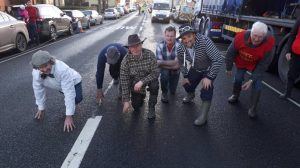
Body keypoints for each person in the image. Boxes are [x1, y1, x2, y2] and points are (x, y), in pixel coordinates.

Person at [225, 21, 275, 118]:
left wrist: (251, 80)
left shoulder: (269, 43)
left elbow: (264, 64)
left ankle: (253, 108)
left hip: (257, 64)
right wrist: (228, 67)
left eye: (260, 37)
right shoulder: (240, 37)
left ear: (264, 36)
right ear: (251, 32)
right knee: (238, 79)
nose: (256, 39)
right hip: (242, 60)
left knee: (257, 84)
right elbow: (230, 53)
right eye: (254, 36)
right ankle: (235, 95)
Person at [177, 24, 223, 126]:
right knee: (186, 83)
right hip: (196, 68)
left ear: (194, 35)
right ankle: (191, 94)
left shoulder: (205, 42)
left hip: (208, 69)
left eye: (189, 36)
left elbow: (218, 59)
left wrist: (209, 77)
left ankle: (203, 116)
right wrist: (184, 76)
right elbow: (182, 63)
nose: (187, 40)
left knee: (207, 88)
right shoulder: (180, 48)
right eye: (184, 38)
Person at [31, 50, 82, 132]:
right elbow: (38, 90)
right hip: (59, 86)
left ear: (51, 61)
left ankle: (71, 106)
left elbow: (69, 92)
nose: (44, 69)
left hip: (74, 81)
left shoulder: (62, 69)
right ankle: (70, 104)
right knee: (67, 95)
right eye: (41, 67)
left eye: (46, 65)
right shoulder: (36, 72)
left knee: (77, 98)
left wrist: (69, 116)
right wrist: (41, 108)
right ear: (37, 67)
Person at [120, 34, 159, 119]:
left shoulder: (150, 55)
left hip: (149, 80)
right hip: (135, 84)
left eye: (137, 45)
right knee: (136, 106)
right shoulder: (125, 61)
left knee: (154, 85)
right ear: (129, 48)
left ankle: (151, 107)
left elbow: (156, 72)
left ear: (141, 45)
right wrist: (126, 101)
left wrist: (142, 82)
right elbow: (124, 81)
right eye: (132, 47)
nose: (135, 48)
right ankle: (141, 94)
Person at [156, 26, 180, 103]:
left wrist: (162, 62)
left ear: (175, 36)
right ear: (164, 35)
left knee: (172, 91)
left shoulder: (179, 46)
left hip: (176, 71)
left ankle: (171, 86)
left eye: (172, 36)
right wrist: (173, 64)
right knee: (164, 74)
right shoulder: (160, 46)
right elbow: (158, 64)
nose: (169, 38)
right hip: (165, 70)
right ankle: (164, 93)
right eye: (167, 36)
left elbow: (177, 64)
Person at [279, 17, 300, 100]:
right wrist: (288, 51)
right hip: (297, 51)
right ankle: (287, 93)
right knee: (292, 73)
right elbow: (292, 35)